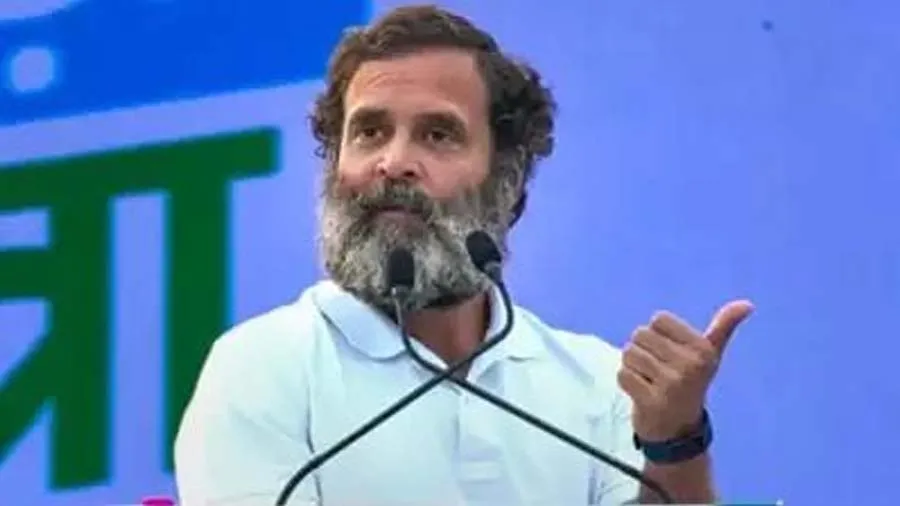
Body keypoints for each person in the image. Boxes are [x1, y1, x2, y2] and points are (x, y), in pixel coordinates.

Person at [174, 4, 754, 505]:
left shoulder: (598, 384)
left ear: (508, 177)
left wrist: (674, 442)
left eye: (437, 135)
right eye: (369, 132)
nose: (394, 163)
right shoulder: (263, 368)